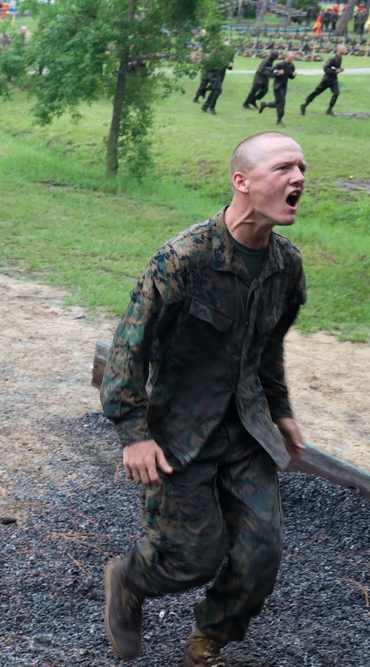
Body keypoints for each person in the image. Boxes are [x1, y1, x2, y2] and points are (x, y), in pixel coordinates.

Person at [100, 132, 308, 667]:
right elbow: (130, 349)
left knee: (262, 553)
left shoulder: (286, 266)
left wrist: (280, 411)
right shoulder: (184, 258)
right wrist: (134, 433)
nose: (299, 178)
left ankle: (211, 636)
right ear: (241, 181)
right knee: (193, 555)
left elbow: (268, 348)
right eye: (283, 168)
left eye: (302, 168)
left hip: (247, 430)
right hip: (180, 434)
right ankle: (128, 579)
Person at [301, 45, 347, 116]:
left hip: (333, 80)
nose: (345, 50)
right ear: (338, 50)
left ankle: (329, 110)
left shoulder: (340, 58)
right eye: (343, 49)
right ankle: (304, 105)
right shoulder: (332, 59)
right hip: (327, 80)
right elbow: (326, 69)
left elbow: (334, 68)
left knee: (336, 93)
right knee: (316, 92)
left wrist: (340, 69)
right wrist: (335, 72)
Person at [259, 52, 297, 125]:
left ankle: (265, 104)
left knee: (278, 103)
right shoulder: (279, 65)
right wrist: (277, 74)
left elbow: (290, 76)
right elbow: (270, 74)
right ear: (286, 57)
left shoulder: (292, 66)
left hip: (284, 86)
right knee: (282, 102)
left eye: (293, 57)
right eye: (291, 57)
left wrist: (293, 75)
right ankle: (279, 119)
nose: (292, 59)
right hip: (277, 86)